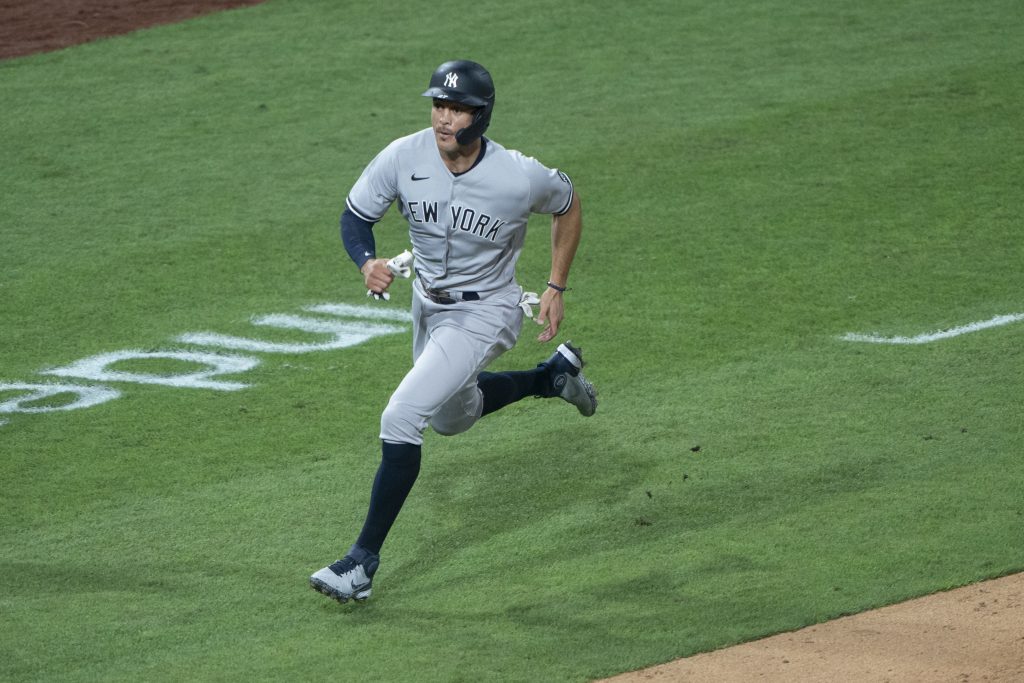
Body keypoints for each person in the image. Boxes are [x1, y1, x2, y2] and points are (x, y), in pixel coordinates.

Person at [310, 59, 596, 603]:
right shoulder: (403, 155)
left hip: (486, 311)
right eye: (439, 105)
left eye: (457, 109)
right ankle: (551, 377)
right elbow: (355, 216)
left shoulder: (517, 175)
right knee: (451, 418)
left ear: (481, 116)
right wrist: (365, 260)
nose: (444, 119)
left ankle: (361, 564)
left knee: (401, 416)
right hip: (426, 305)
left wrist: (556, 285)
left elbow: (568, 202)